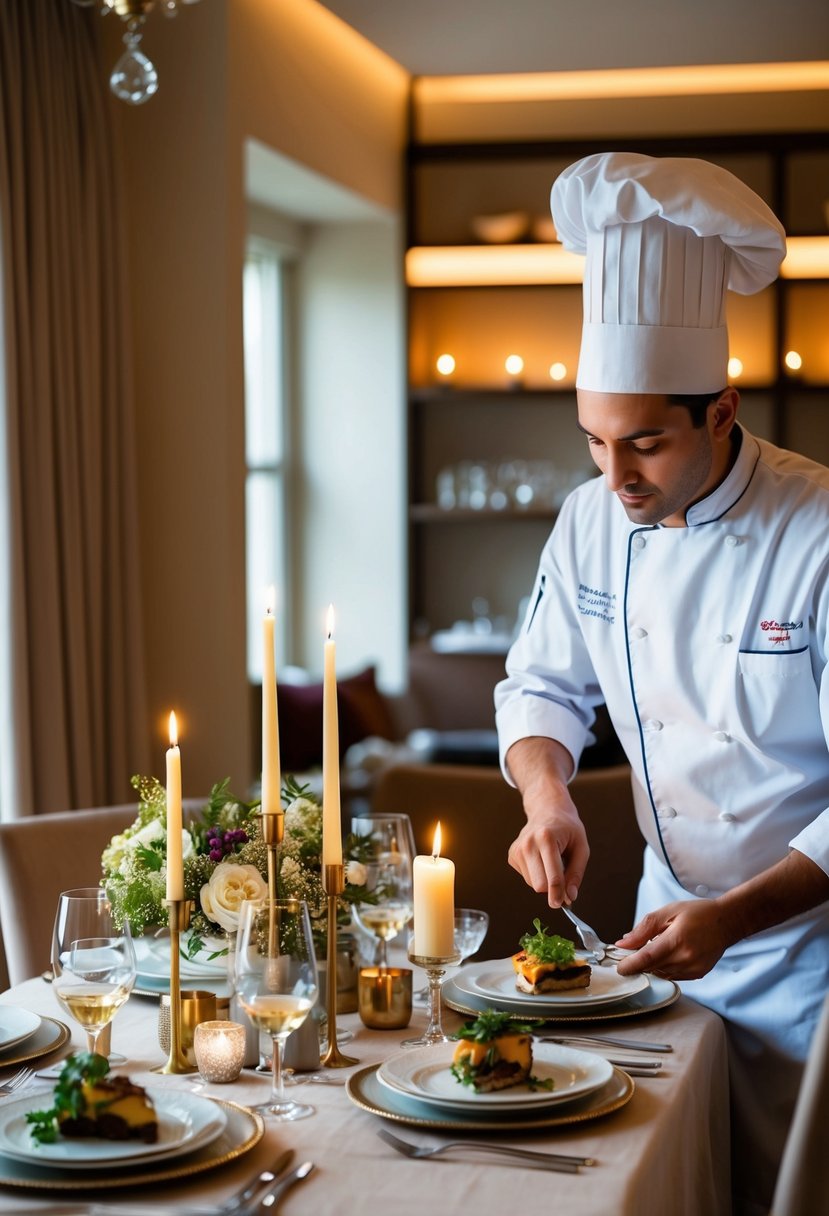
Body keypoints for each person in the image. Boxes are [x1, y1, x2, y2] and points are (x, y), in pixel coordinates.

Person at [494, 151, 829, 1216]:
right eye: (593, 441)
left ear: (722, 407)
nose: (615, 478)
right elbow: (539, 686)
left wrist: (734, 915)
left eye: (643, 441)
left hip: (803, 954)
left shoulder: (816, 531)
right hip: (656, 942)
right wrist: (545, 798)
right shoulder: (592, 518)